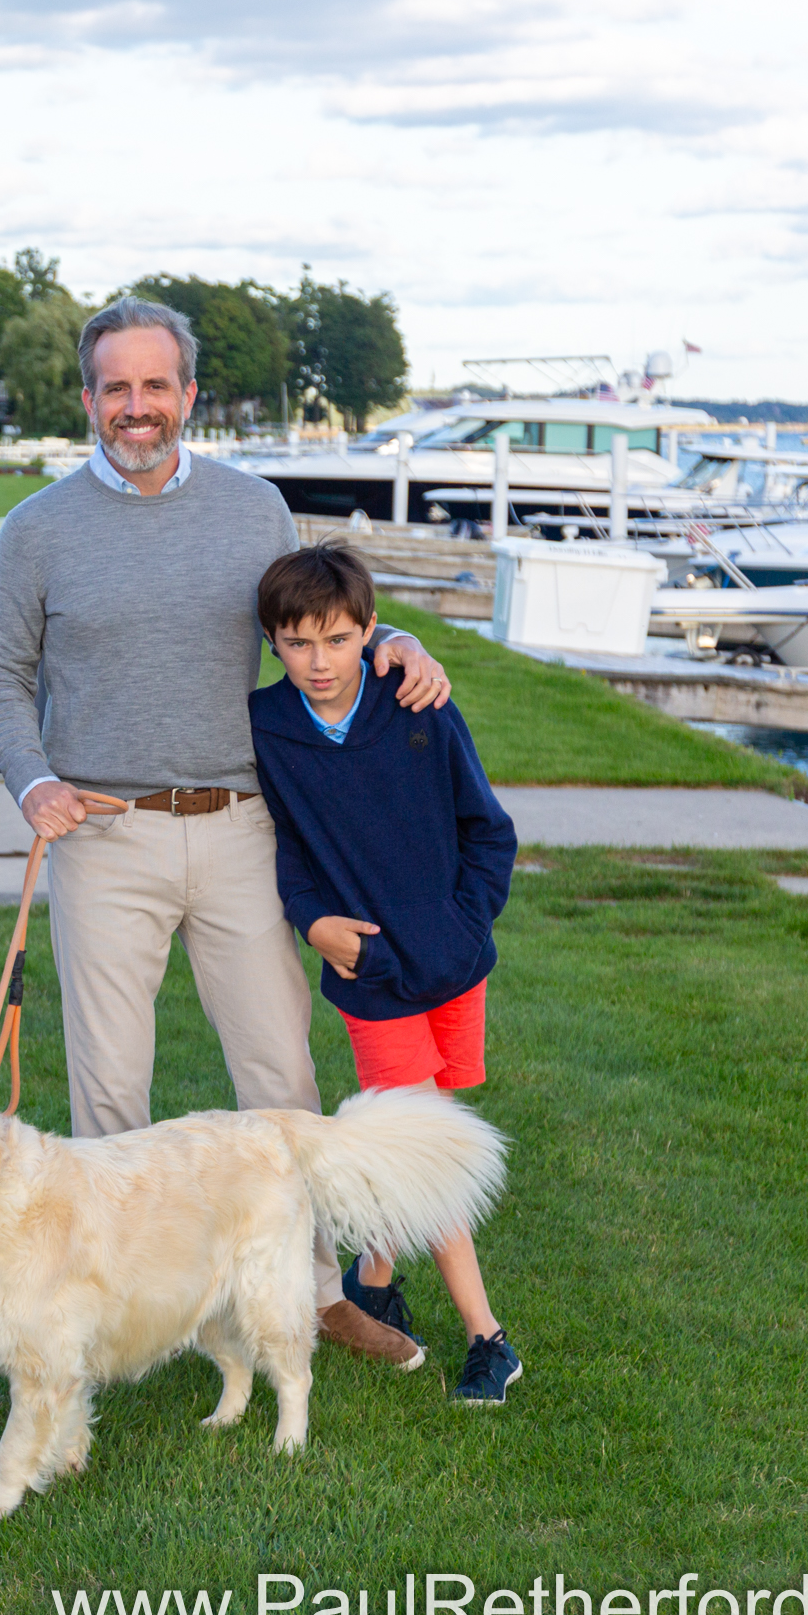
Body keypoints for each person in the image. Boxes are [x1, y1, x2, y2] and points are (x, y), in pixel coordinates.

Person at [0, 294, 453, 1369]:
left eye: (156, 385)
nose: (136, 406)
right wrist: (33, 779)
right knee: (110, 1090)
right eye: (116, 388)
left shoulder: (253, 508)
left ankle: (316, 1292)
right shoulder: (37, 528)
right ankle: (120, 1307)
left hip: (242, 827)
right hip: (103, 832)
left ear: (188, 394)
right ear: (87, 398)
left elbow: (312, 622)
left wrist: (399, 643)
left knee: (280, 1077)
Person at [248, 540, 524, 1404]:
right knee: (425, 1142)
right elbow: (286, 845)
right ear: (272, 641)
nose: (318, 661)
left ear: (369, 632)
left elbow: (489, 830)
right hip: (369, 972)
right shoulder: (267, 727)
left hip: (455, 961)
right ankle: (488, 1336)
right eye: (297, 642)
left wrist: (461, 925)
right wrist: (313, 920)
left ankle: (373, 1274)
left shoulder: (417, 703)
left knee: (429, 1117)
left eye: (337, 640)